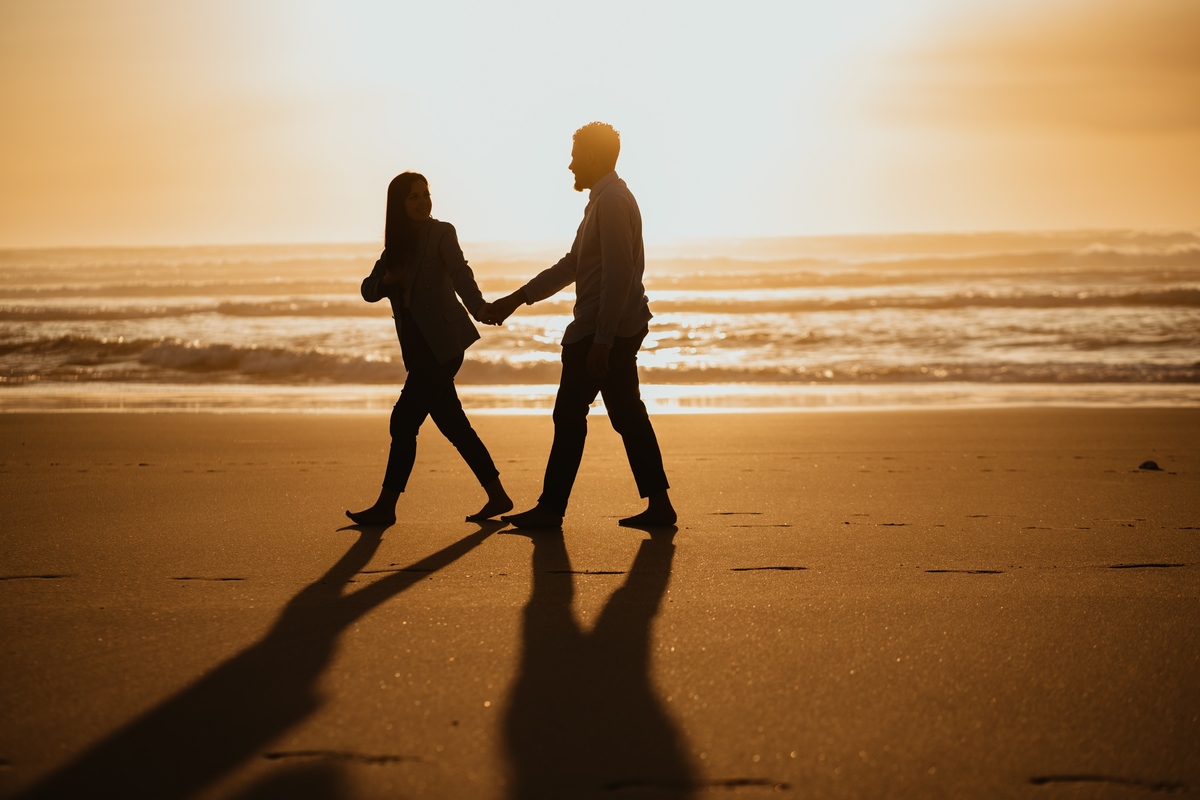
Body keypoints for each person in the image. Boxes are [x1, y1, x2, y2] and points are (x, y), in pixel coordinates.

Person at [483, 123, 675, 529]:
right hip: (610, 327)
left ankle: (552, 509)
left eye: (574, 156)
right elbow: (574, 264)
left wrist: (602, 340)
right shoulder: (603, 200)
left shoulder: (611, 202)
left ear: (590, 157)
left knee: (572, 414)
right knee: (624, 415)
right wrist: (517, 299)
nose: (570, 166)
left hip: (602, 330)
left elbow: (619, 275)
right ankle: (659, 505)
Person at [346, 172, 512, 526]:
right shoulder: (395, 250)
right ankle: (498, 496)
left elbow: (460, 272)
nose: (423, 202)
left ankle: (386, 508)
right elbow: (367, 289)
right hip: (419, 350)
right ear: (398, 205)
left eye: (426, 194)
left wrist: (479, 308)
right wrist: (389, 279)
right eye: (413, 197)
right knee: (453, 424)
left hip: (445, 345)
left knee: (403, 420)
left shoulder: (442, 233)